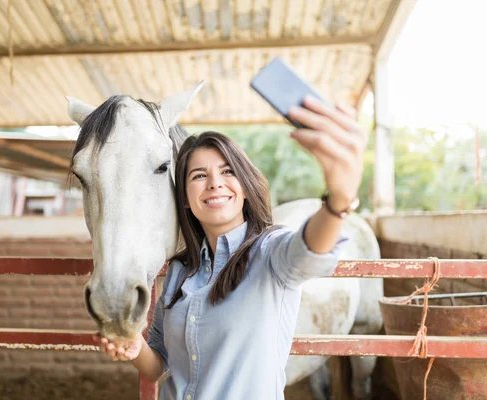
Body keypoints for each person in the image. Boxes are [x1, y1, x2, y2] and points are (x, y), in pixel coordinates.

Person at [93, 95, 367, 399]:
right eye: (199, 176)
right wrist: (135, 347)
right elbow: (156, 366)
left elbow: (308, 253)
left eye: (227, 172)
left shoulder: (270, 255)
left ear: (245, 188)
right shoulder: (179, 271)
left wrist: (338, 202)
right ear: (185, 197)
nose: (215, 183)